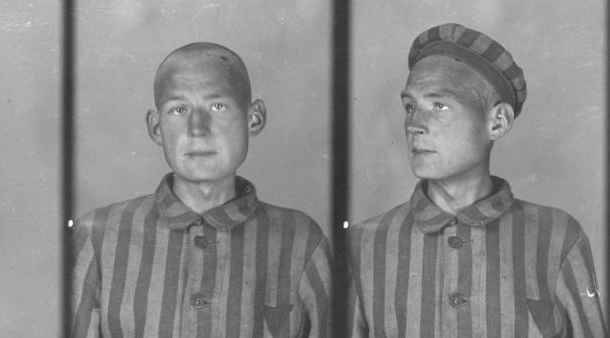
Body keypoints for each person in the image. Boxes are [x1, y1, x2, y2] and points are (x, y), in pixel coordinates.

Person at [345, 23, 606, 337]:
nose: (415, 124)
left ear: (497, 122)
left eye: (439, 105)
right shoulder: (365, 244)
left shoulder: (558, 237)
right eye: (410, 106)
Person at [70, 42, 331, 337]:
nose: (197, 128)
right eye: (179, 109)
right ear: (156, 128)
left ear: (254, 118)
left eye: (217, 106)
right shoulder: (99, 237)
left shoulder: (301, 240)